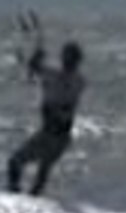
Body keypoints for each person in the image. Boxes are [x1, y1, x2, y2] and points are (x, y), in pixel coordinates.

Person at [7, 35, 86, 196]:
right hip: (56, 135)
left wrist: (37, 58)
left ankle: (20, 200)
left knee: (25, 165)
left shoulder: (69, 78)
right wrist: (37, 57)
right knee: (34, 169)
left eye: (68, 57)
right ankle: (23, 201)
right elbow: (36, 69)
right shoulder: (68, 77)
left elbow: (37, 70)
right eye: (65, 56)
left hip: (54, 134)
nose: (65, 60)